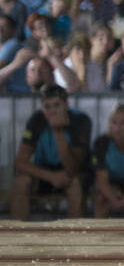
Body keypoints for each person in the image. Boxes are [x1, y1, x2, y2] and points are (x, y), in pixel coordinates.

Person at [9, 84, 92, 220]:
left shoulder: (80, 121)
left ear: (66, 104)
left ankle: (76, 237)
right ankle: (18, 234)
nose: (52, 111)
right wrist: (51, 176)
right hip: (46, 172)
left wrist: (58, 132)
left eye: (56, 105)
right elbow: (20, 162)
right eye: (47, 107)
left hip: (74, 172)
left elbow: (72, 168)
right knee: (21, 181)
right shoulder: (37, 120)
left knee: (75, 184)